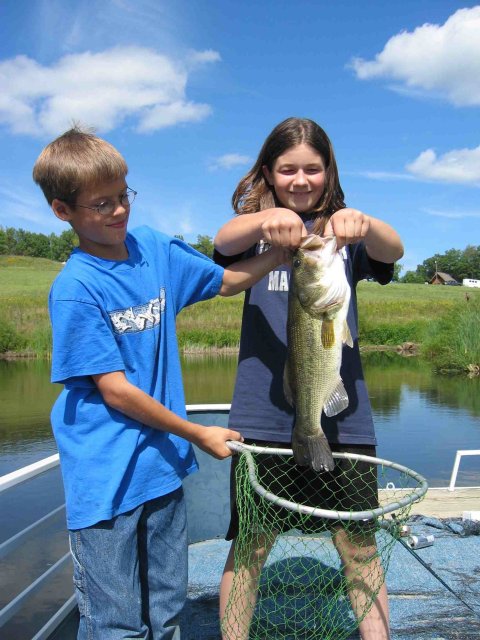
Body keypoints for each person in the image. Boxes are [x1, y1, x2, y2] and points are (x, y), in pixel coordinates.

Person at [32, 126, 287, 640]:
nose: (119, 211)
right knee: (115, 623)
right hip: (105, 480)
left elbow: (229, 281)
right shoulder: (76, 288)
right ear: (63, 212)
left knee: (168, 611)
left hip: (163, 469)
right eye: (101, 204)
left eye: (123, 195)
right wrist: (198, 433)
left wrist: (285, 252)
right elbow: (115, 391)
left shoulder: (152, 249)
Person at [213, 117, 404, 640]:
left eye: (312, 169)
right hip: (262, 418)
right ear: (269, 174)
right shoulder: (258, 233)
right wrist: (263, 221)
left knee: (360, 547)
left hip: (346, 421)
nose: (301, 180)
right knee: (250, 546)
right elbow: (223, 241)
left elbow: (393, 250)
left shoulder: (341, 238)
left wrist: (362, 223)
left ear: (329, 171)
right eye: (287, 169)